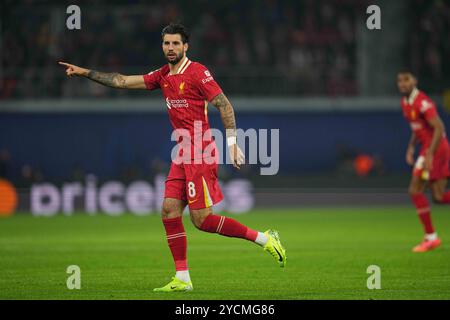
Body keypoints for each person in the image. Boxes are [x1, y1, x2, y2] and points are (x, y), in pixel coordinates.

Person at [59, 23, 286, 291]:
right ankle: (183, 278)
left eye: (175, 43)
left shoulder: (198, 72)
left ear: (185, 46)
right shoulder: (163, 75)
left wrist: (233, 143)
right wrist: (84, 72)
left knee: (202, 220)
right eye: (166, 43)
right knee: (168, 210)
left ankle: (265, 238)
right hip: (182, 152)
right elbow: (121, 81)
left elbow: (224, 104)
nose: (170, 48)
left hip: (200, 152)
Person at [398, 70, 450, 252]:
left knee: (415, 189)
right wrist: (411, 146)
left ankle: (431, 237)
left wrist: (429, 154)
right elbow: (417, 128)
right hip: (428, 149)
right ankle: (431, 237)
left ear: (415, 81)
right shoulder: (405, 102)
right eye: (400, 81)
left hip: (436, 149)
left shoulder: (423, 102)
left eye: (407, 80)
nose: (403, 84)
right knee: (438, 196)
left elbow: (439, 127)